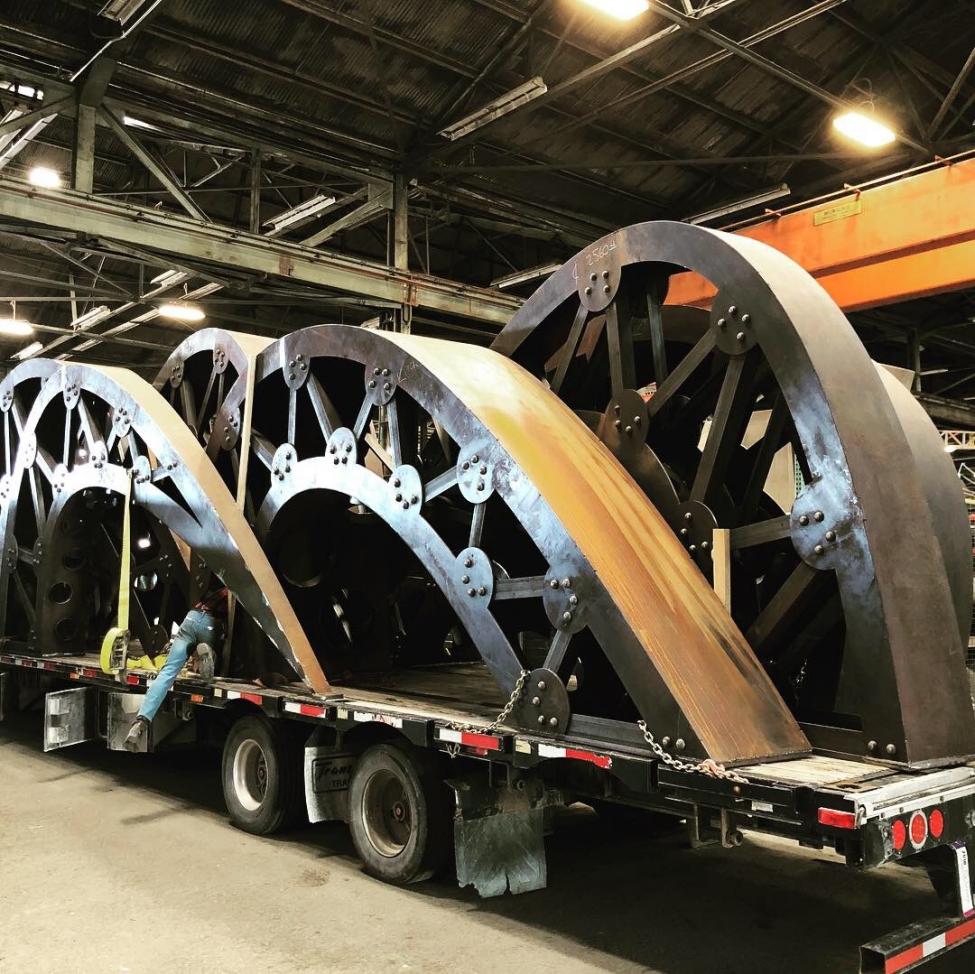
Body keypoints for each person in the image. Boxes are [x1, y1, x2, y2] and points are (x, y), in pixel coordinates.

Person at [124, 586, 229, 751]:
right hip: (211, 623)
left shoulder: (211, 583)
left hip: (191, 619)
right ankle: (206, 650)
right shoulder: (234, 587)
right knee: (214, 658)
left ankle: (141, 721)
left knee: (167, 673)